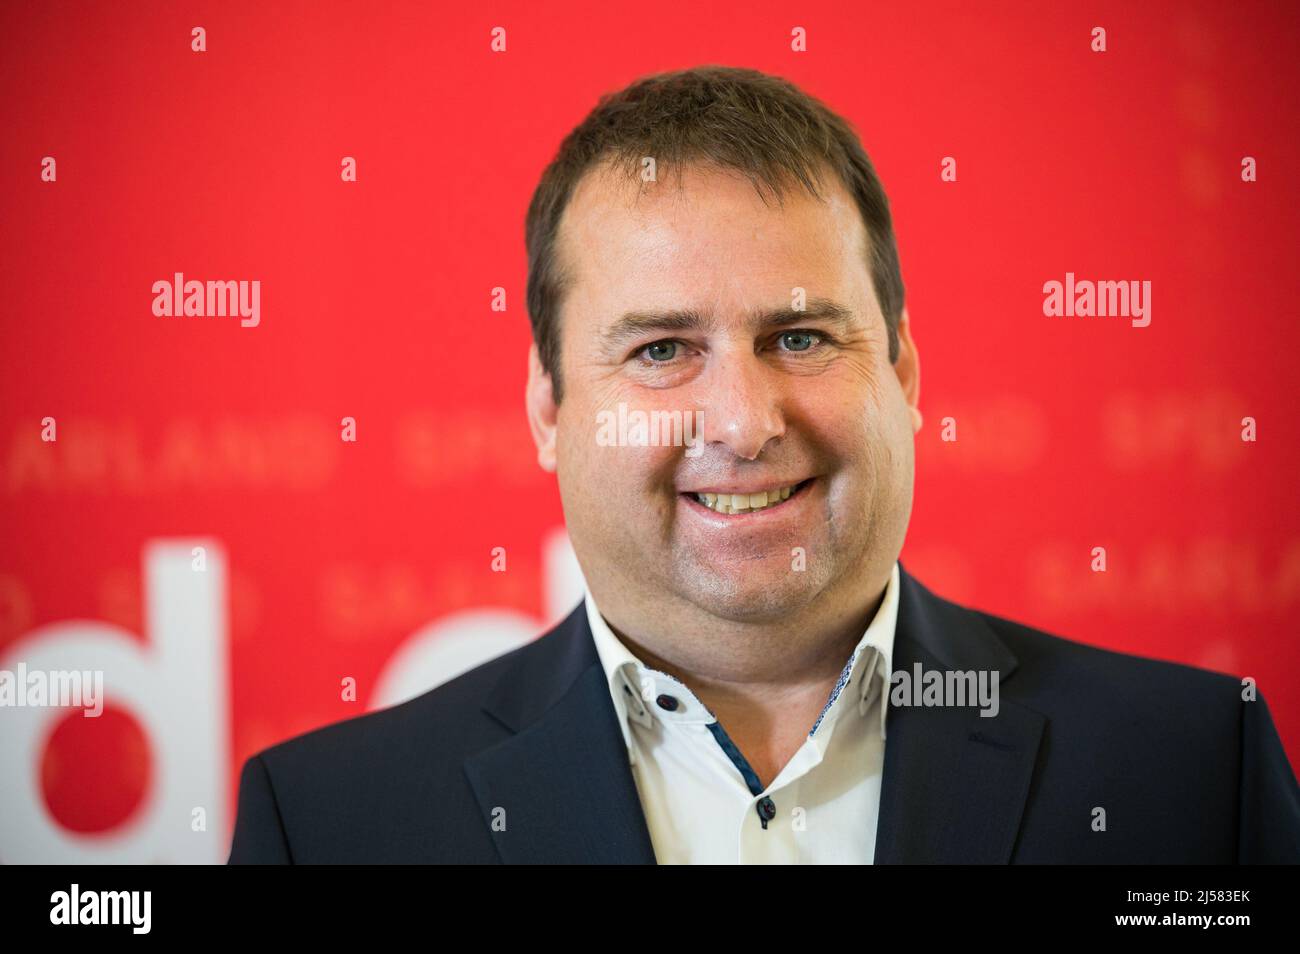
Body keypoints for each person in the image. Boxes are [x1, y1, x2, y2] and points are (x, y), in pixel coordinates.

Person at [228, 65, 1300, 864]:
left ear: (904, 370)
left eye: (800, 338)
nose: (741, 421)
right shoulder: (330, 823)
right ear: (549, 409)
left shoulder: (1194, 773)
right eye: (660, 351)